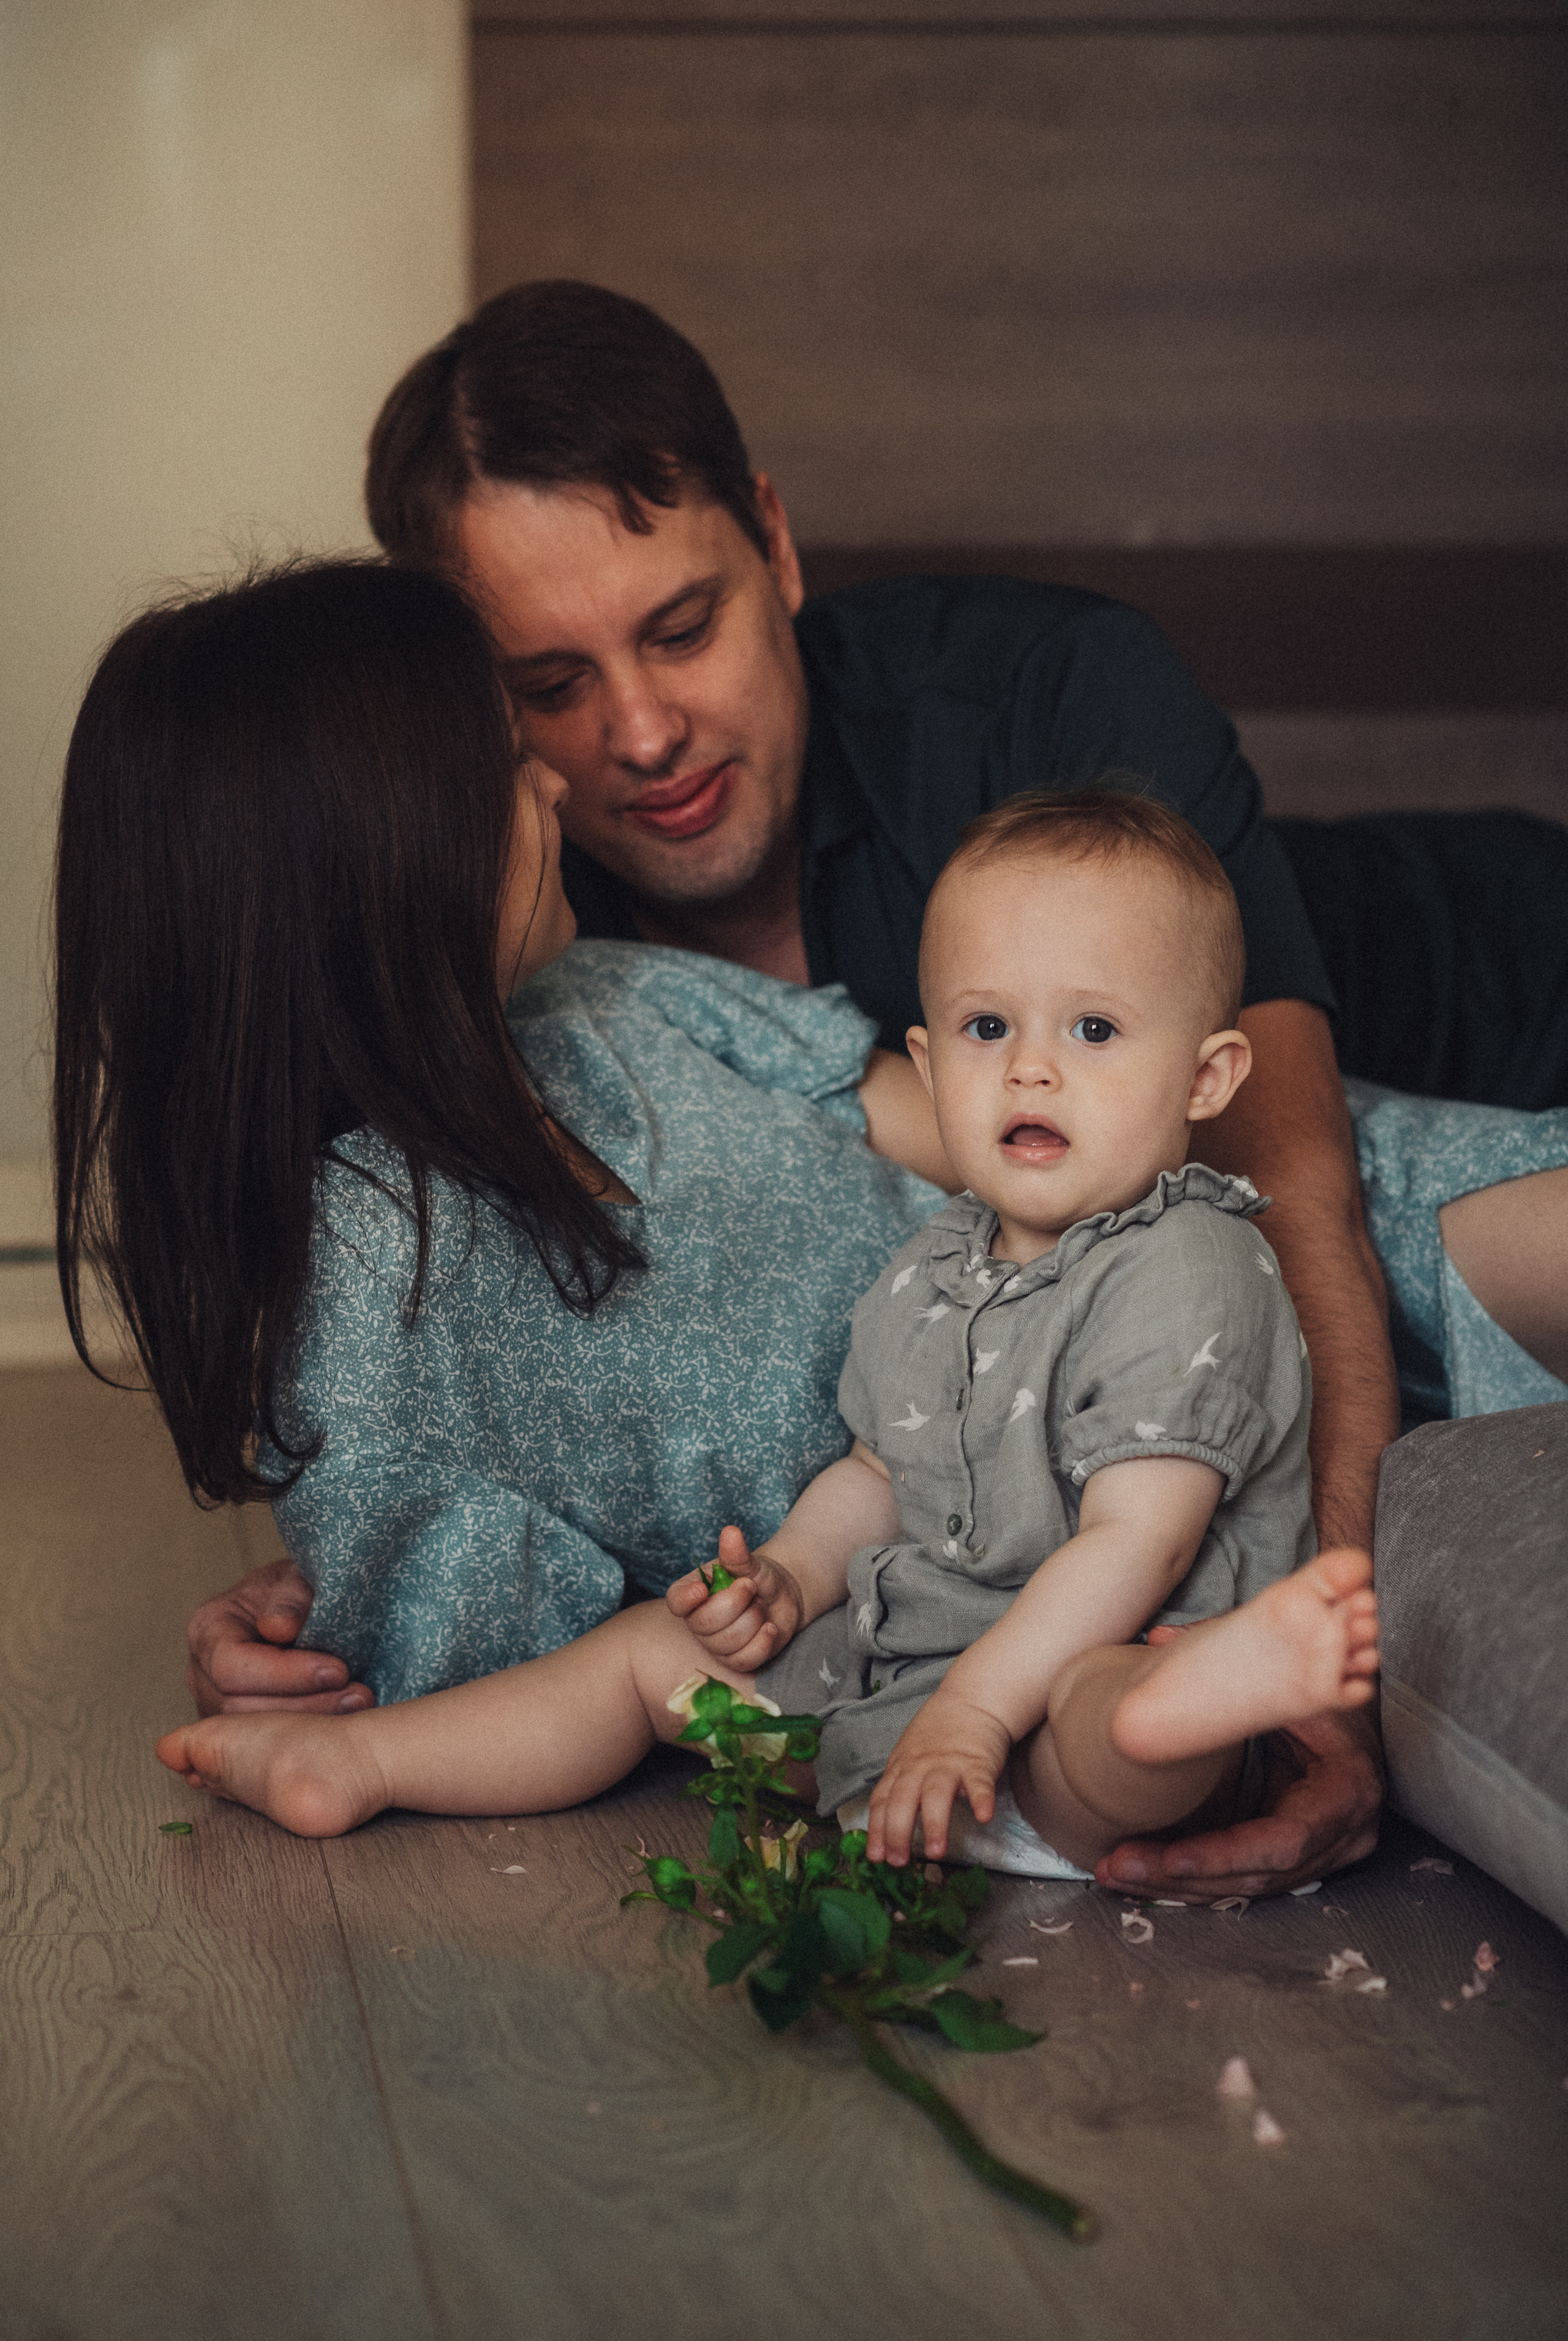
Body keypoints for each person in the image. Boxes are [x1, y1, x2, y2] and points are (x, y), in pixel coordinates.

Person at [184, 281, 1568, 1901]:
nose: (637, 734)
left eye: (683, 625)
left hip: (1463, 1026)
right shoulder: (542, 952)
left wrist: (1334, 1699)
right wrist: (327, 1584)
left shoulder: (1041, 696)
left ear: (771, 538)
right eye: (544, 688)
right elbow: (597, 1358)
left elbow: (1298, 1203)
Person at [154, 789, 1380, 1874]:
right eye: (986, 1030)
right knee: (647, 1663)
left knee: (1110, 1711)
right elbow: (873, 1474)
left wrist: (976, 1715)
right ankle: (366, 1766)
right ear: (927, 1057)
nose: (1030, 1074)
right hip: (887, 1726)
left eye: (1093, 1032)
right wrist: (790, 1578)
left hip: (1055, 1737)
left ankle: (1201, 1703)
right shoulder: (930, 1266)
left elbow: (1136, 1547)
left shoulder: (1189, 1264)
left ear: (1209, 1079)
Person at [55, 556, 950, 1709]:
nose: (557, 790)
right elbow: (544, 1677)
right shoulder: (376, 1280)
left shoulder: (611, 998)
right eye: (511, 763)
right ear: (391, 857)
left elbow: (969, 1133)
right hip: (942, 1590)